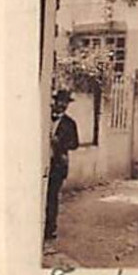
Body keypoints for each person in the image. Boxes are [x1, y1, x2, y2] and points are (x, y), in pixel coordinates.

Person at [44, 88, 79, 241]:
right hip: (42, 162)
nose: (62, 105)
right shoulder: (45, 118)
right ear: (55, 101)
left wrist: (61, 144)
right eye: (60, 101)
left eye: (65, 103)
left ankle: (50, 229)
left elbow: (75, 144)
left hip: (58, 164)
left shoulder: (70, 124)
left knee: (52, 197)